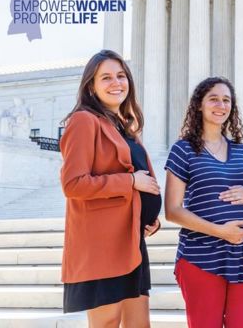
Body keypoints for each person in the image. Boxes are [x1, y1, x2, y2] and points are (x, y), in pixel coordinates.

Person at [59, 49, 161, 327]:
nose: (116, 82)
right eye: (106, 78)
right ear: (91, 85)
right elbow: (73, 184)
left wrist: (146, 216)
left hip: (130, 240)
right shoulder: (83, 121)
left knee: (139, 324)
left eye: (121, 75)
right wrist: (130, 182)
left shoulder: (124, 127)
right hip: (102, 244)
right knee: (107, 323)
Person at [164, 76, 243, 328]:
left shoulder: (241, 150)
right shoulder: (183, 149)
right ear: (199, 104)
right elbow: (172, 210)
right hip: (202, 256)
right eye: (214, 99)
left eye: (226, 100)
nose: (221, 105)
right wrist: (220, 232)